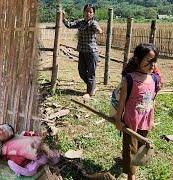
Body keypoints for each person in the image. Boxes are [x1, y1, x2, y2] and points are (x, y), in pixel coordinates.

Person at [114, 43, 161, 180]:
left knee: (140, 148)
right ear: (138, 60)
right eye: (149, 61)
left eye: (155, 61)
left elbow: (153, 100)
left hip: (145, 121)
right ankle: (131, 175)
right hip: (131, 121)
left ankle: (132, 167)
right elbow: (122, 101)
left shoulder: (154, 79)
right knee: (130, 149)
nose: (152, 65)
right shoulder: (129, 79)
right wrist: (118, 120)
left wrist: (152, 119)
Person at [62, 4, 103, 98]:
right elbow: (69, 25)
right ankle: (93, 87)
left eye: (90, 12)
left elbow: (98, 28)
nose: (88, 13)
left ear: (93, 14)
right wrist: (63, 17)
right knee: (81, 72)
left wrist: (99, 30)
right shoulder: (80, 22)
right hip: (82, 51)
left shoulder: (93, 23)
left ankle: (89, 92)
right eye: (86, 11)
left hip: (92, 52)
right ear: (83, 12)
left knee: (91, 73)